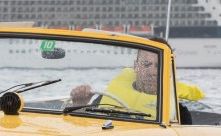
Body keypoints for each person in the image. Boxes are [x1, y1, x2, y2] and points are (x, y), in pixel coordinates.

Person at [69, 44, 204, 117]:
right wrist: (78, 105)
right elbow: (82, 130)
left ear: (168, 70)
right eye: (146, 64)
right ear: (136, 66)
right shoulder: (106, 99)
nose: (152, 72)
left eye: (159, 66)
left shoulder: (179, 114)